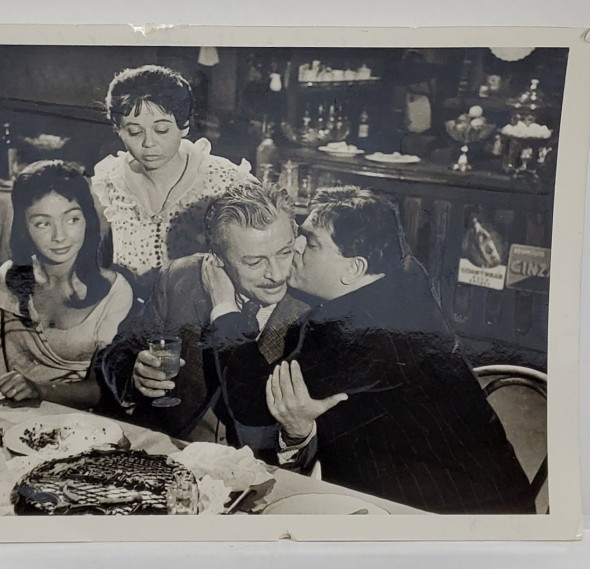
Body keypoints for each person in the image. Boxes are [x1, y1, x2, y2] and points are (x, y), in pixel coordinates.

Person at [226, 186, 536, 514]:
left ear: (354, 269)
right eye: (301, 234)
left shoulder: (356, 335)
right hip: (495, 490)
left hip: (453, 517)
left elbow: (251, 404)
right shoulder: (403, 275)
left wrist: (223, 310)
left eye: (312, 243)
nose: (296, 247)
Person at [97, 181, 308, 445]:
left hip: (261, 464)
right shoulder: (180, 277)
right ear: (217, 257)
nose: (277, 274)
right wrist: (135, 373)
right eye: (255, 261)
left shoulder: (314, 302)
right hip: (170, 448)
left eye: (284, 253)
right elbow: (117, 351)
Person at [0, 160, 134, 408]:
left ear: (87, 219)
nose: (60, 236)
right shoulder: (8, 279)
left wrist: (39, 390)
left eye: (72, 219)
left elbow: (105, 390)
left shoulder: (114, 291)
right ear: (24, 228)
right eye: (43, 223)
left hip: (80, 422)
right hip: (8, 413)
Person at [92, 64, 255, 296]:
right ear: (118, 130)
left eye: (161, 130)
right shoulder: (108, 183)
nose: (149, 143)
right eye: (135, 132)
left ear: (184, 125)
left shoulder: (227, 181)